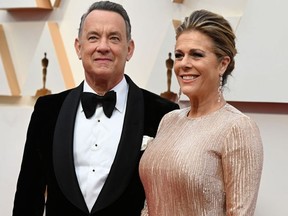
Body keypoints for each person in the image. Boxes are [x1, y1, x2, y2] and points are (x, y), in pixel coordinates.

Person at [12, 1, 179, 216]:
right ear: (78, 47)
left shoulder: (163, 114)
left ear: (129, 49)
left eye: (114, 38)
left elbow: (170, 200)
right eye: (93, 37)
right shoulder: (47, 110)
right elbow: (28, 196)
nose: (103, 46)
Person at [139, 9, 263, 216]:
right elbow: (150, 204)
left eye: (196, 55)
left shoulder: (238, 128)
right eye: (179, 55)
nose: (184, 64)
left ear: (223, 64)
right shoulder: (168, 121)